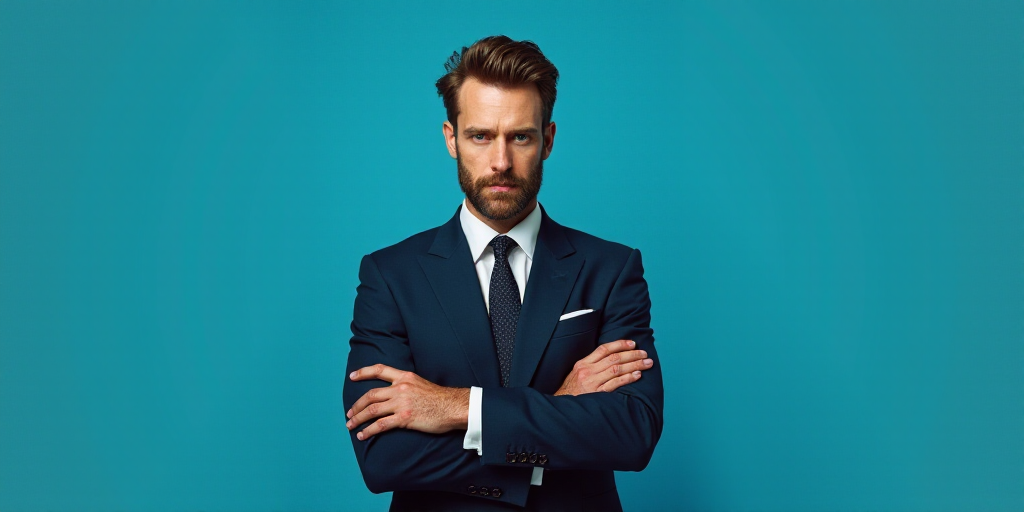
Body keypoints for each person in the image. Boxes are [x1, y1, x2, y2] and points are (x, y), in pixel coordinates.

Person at [342, 35, 663, 511]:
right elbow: (384, 457)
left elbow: (631, 433)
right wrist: (562, 403)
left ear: (548, 140)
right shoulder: (390, 276)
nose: (500, 162)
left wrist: (458, 408)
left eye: (521, 136)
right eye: (480, 136)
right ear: (451, 138)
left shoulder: (611, 269)